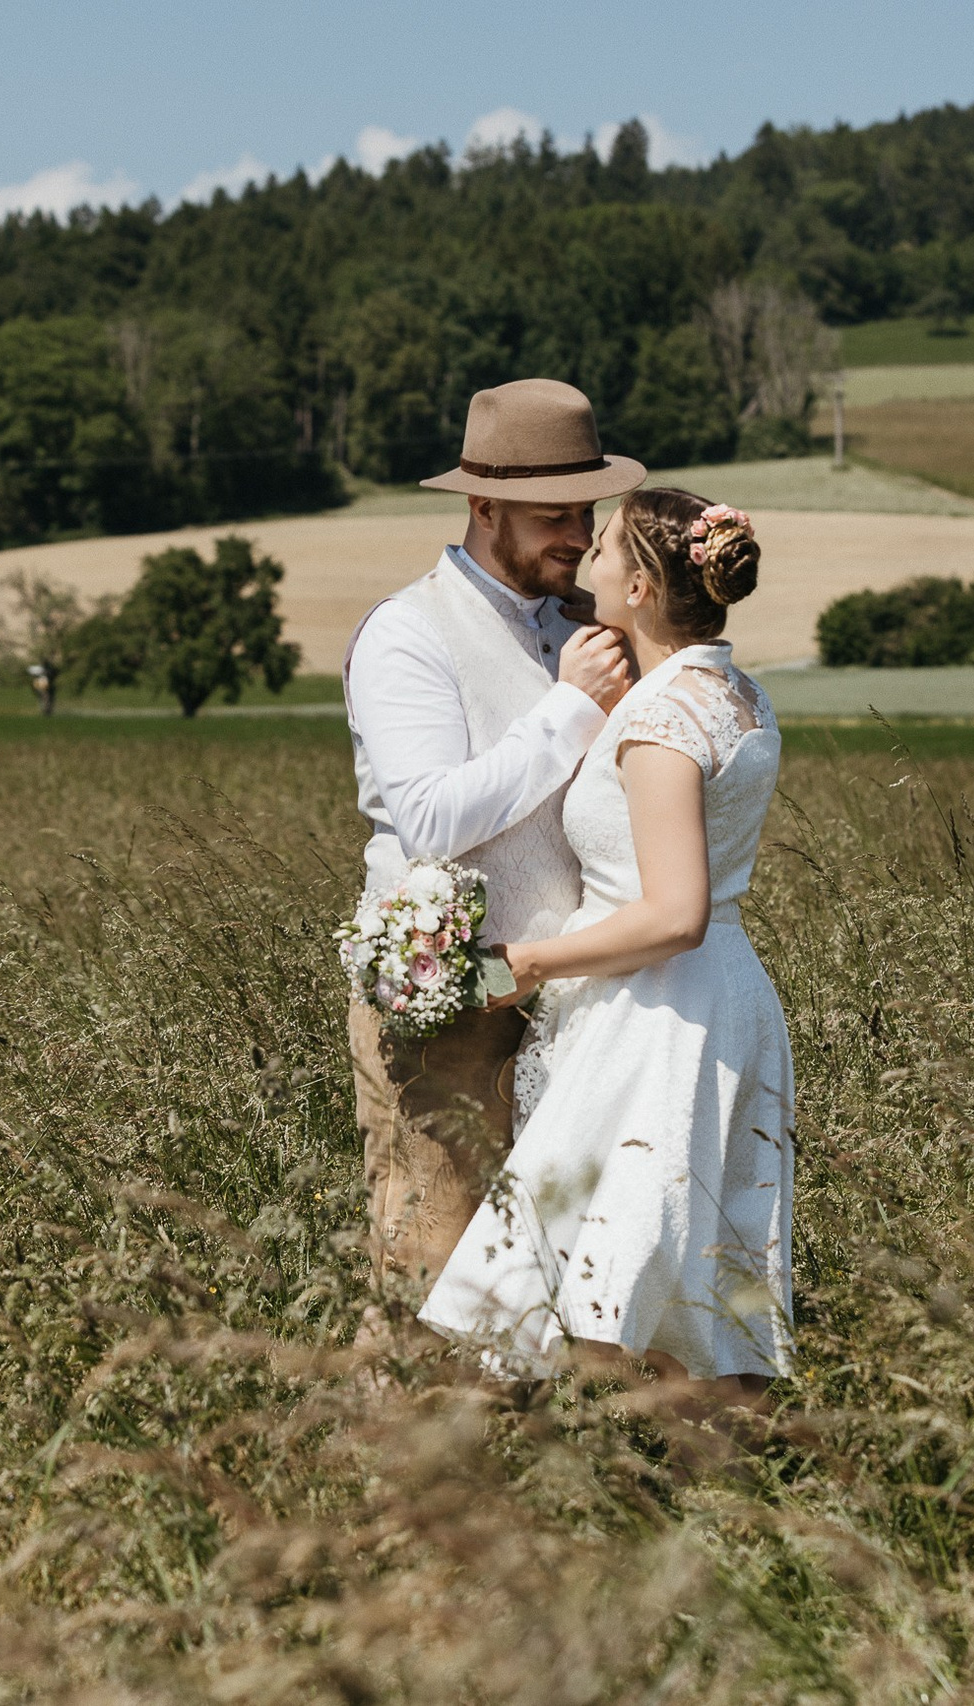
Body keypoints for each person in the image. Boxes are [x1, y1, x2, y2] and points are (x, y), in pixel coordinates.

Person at [418, 489, 793, 1390]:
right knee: (676, 1277)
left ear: (637, 585)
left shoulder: (663, 721)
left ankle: (619, 1488)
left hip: (657, 1015)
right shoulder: (735, 692)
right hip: (714, 996)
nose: (584, 555)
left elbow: (674, 914)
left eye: (604, 548)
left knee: (605, 1282)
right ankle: (702, 1492)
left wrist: (528, 963)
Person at [344, 378, 640, 1296]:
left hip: (579, 1004)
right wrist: (569, 709)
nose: (579, 536)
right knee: (435, 1270)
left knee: (556, 1282)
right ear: (483, 507)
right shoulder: (408, 634)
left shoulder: (585, 626)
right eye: (554, 515)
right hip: (454, 1010)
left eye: (586, 510)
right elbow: (431, 820)